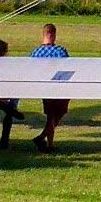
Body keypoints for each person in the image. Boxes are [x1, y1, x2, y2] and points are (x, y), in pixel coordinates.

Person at [30, 22, 70, 152]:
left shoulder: (35, 52)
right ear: (53, 35)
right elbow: (68, 67)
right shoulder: (60, 51)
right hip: (58, 87)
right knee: (57, 114)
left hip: (43, 87)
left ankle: (49, 143)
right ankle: (43, 137)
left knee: (50, 116)